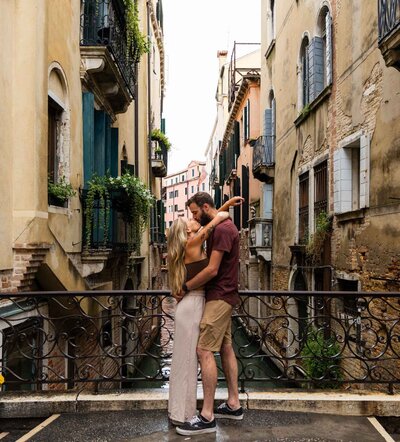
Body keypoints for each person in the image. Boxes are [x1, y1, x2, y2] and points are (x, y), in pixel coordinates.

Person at [167, 196, 242, 426]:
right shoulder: (194, 242)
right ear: (185, 233)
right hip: (203, 300)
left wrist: (226, 206)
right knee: (204, 352)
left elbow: (214, 218)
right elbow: (215, 218)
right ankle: (216, 410)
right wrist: (225, 208)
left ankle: (213, 411)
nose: (192, 218)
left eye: (194, 213)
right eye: (189, 218)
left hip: (212, 298)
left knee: (203, 352)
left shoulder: (201, 237)